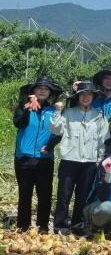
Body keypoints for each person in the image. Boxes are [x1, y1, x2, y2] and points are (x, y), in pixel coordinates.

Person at [50, 81, 109, 235]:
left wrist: (99, 159)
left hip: (89, 162)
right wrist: (57, 111)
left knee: (82, 196)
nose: (86, 97)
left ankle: (77, 225)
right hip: (69, 160)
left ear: (93, 97)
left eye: (89, 94)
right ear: (78, 96)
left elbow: (103, 140)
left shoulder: (99, 116)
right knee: (64, 195)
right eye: (82, 94)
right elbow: (56, 130)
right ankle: (60, 225)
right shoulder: (68, 113)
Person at [13, 76, 63, 233]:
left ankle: (42, 226)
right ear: (33, 91)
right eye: (39, 87)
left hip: (44, 159)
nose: (42, 90)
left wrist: (49, 147)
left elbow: (59, 133)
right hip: (24, 158)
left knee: (45, 193)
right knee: (25, 192)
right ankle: (23, 225)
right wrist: (29, 107)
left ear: (50, 93)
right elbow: (18, 123)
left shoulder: (52, 110)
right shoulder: (23, 106)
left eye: (46, 88)